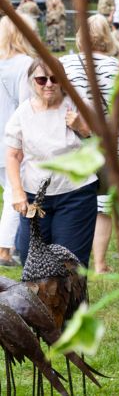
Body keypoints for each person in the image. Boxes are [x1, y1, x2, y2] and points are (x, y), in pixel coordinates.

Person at [59, 14, 119, 274]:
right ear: (106, 37)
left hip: (69, 141)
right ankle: (100, 263)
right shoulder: (118, 68)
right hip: (107, 143)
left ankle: (66, 258)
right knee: (103, 204)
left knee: (68, 198)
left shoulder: (64, 63)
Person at [6, 57, 96, 266]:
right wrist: (17, 192)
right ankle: (36, 300)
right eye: (41, 80)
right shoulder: (23, 113)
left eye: (55, 79)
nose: (49, 84)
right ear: (32, 82)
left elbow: (100, 139)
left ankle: (72, 299)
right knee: (31, 257)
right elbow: (13, 154)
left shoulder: (76, 104)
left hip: (76, 193)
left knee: (69, 263)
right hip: (35, 197)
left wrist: (81, 126)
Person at [0, 14, 36, 267]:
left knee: (10, 190)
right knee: (16, 190)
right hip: (11, 138)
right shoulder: (25, 65)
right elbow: (26, 106)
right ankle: (4, 249)